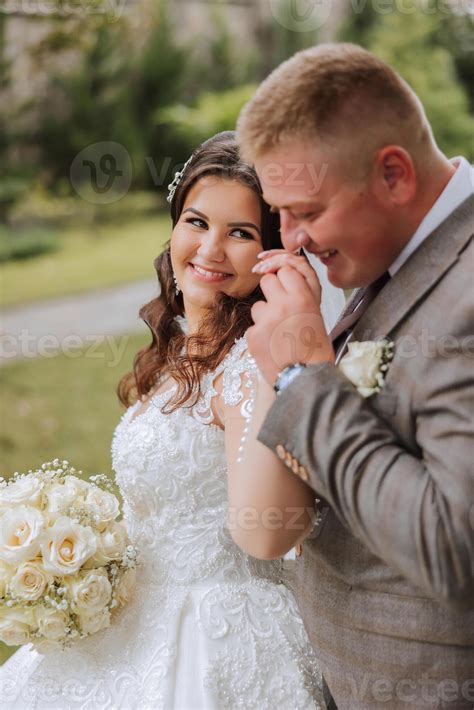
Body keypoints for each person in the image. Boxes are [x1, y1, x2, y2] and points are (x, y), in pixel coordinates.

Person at [0, 131, 336, 709]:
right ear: (175, 225)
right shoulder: (176, 349)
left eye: (241, 233)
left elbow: (265, 534)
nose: (209, 250)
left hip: (213, 631)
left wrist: (278, 353)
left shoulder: (248, 367)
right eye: (197, 222)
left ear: (275, 253)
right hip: (132, 613)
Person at [233, 43, 474, 709]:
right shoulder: (391, 257)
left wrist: (307, 375)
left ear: (393, 174)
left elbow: (454, 547)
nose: (292, 237)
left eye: (307, 210)